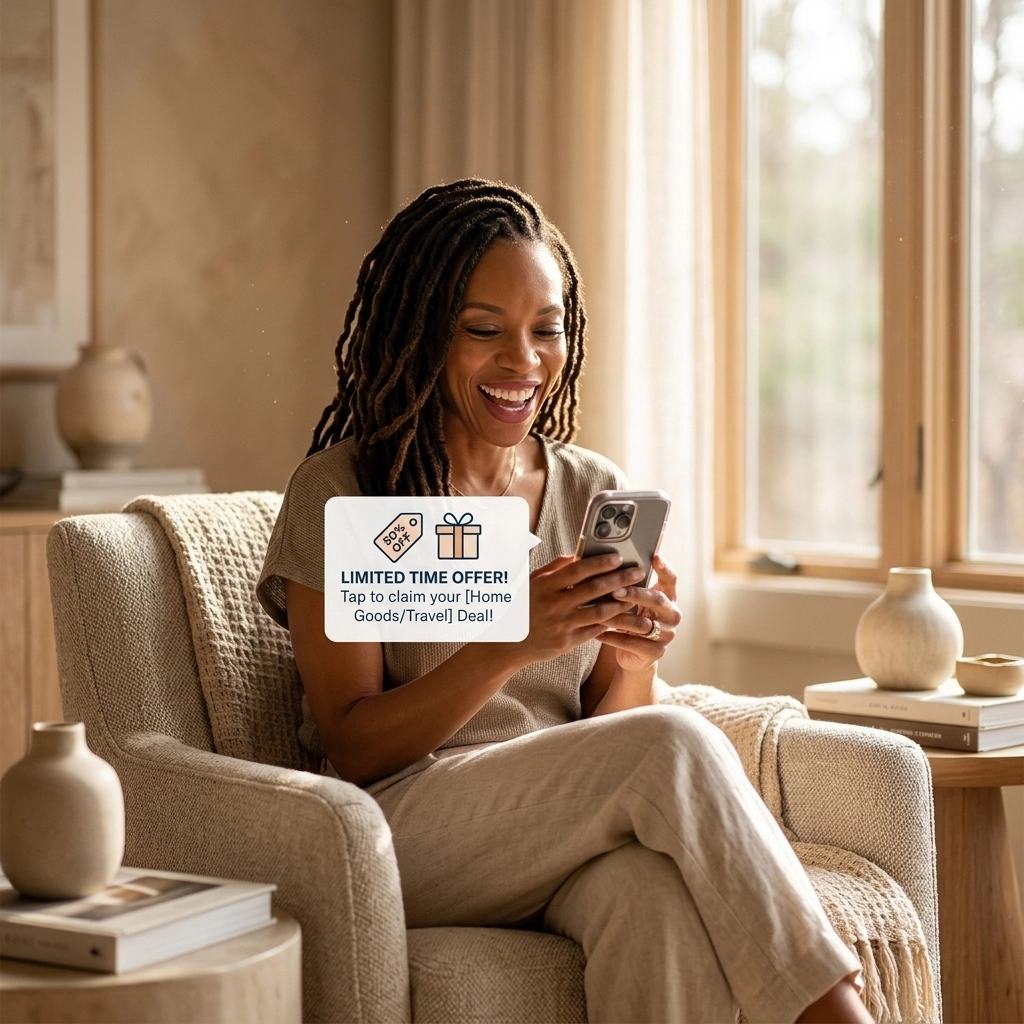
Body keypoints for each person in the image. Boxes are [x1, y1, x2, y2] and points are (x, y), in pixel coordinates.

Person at [257, 179, 872, 1023]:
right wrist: (511, 638)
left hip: (555, 818)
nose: (524, 361)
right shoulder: (347, 493)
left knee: (652, 895)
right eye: (483, 330)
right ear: (420, 333)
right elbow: (356, 748)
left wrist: (630, 656)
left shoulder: (590, 489)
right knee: (673, 741)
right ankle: (838, 1010)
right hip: (394, 829)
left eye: (547, 330)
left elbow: (611, 734)